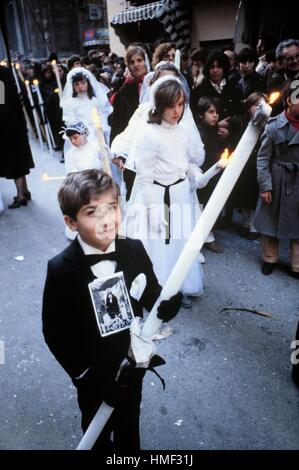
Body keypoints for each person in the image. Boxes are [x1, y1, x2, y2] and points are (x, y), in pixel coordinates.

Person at [42, 169, 182, 450]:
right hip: (94, 374)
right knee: (97, 431)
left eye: (112, 208)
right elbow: (55, 332)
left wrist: (166, 303)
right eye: (92, 212)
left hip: (130, 363)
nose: (106, 220)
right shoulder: (61, 269)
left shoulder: (133, 249)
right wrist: (84, 375)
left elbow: (151, 294)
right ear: (71, 222)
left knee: (130, 425)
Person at [125, 77, 205, 309]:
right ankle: (159, 290)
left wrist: (194, 174)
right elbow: (144, 178)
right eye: (171, 105)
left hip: (180, 195)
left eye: (180, 104)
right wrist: (153, 209)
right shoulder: (148, 134)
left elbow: (187, 160)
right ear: (159, 105)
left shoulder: (183, 131)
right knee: (159, 246)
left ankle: (181, 284)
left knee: (180, 241)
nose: (176, 111)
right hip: (158, 197)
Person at [254, 81, 299, 276]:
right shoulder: (273, 127)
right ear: (289, 100)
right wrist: (265, 186)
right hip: (277, 178)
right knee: (270, 221)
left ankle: (297, 264)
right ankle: (269, 258)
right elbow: (263, 158)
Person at [0, 64, 34, 208]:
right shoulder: (10, 82)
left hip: (8, 128)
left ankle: (21, 196)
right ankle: (25, 191)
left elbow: (2, 105)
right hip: (16, 126)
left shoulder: (2, 86)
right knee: (19, 160)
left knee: (15, 163)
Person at [196, 96, 227, 253]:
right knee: (201, 206)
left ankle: (207, 235)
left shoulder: (212, 130)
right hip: (202, 175)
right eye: (211, 112)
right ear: (201, 114)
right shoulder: (199, 133)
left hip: (212, 173)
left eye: (217, 112)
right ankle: (204, 237)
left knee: (209, 204)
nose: (215, 115)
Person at [61, 67, 112, 145]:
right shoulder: (71, 103)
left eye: (83, 82)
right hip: (83, 135)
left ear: (88, 83)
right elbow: (71, 120)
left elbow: (103, 114)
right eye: (76, 84)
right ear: (72, 86)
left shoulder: (95, 100)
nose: (80, 86)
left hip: (99, 131)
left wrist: (100, 125)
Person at [109, 45, 149, 144]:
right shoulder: (123, 92)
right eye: (132, 62)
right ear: (128, 66)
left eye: (139, 60)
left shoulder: (154, 84)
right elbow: (117, 125)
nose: (136, 65)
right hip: (132, 141)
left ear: (145, 62)